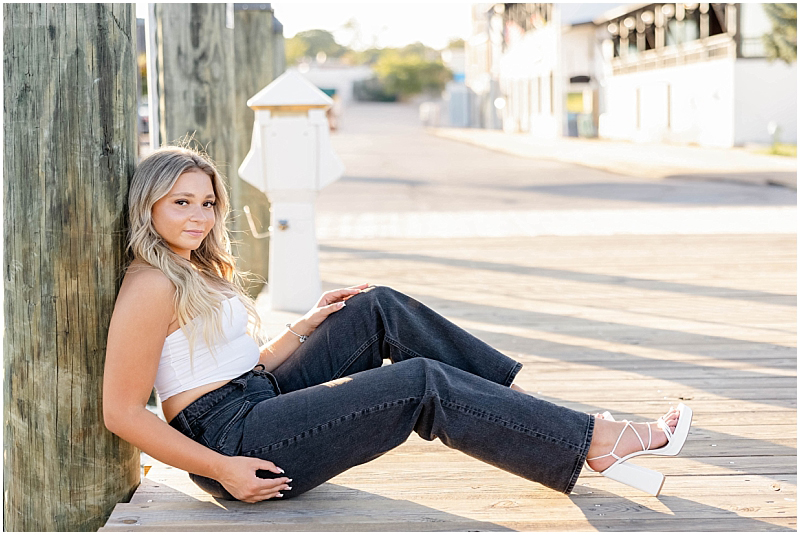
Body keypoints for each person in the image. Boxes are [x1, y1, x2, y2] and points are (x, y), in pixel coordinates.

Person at [103, 146, 692, 504]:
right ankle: (590, 440)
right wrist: (221, 469)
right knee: (421, 383)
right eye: (181, 202)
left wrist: (305, 327)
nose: (199, 215)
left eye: (207, 203)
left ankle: (517, 409)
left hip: (256, 395)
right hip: (233, 444)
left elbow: (238, 364)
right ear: (148, 206)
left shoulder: (192, 268)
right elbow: (123, 412)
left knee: (374, 306)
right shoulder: (151, 284)